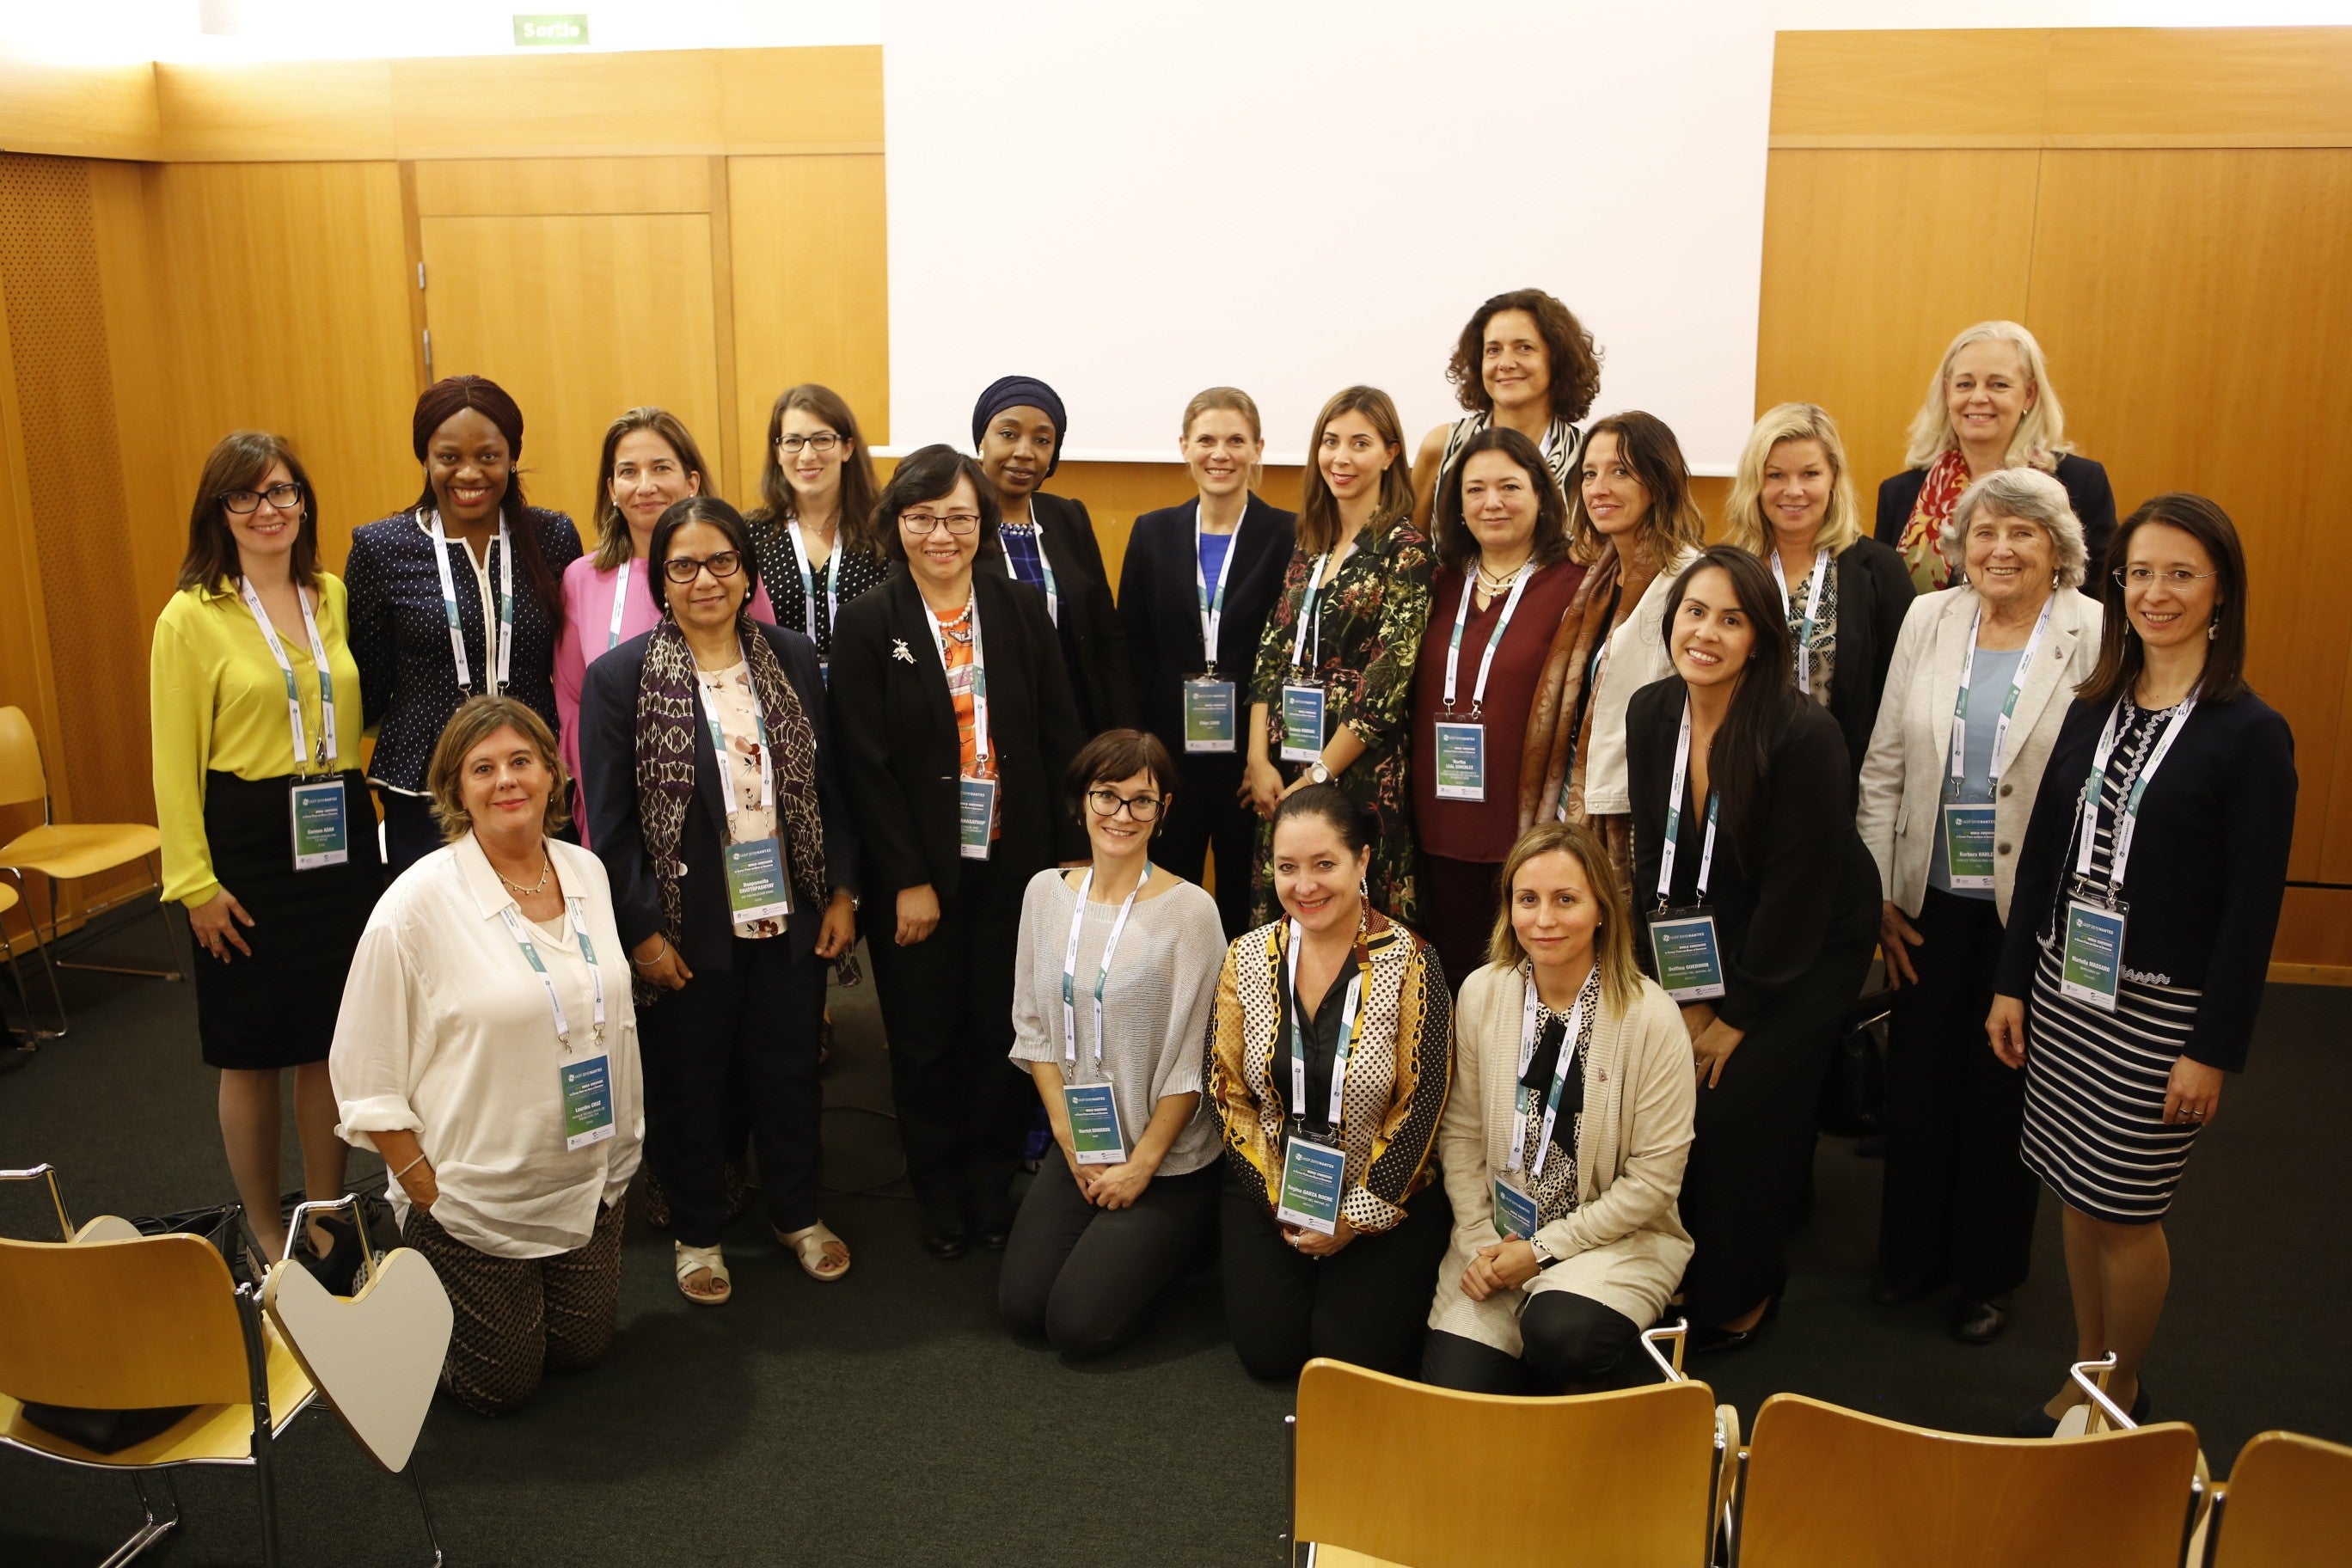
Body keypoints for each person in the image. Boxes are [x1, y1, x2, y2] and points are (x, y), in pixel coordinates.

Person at [1991, 494, 2294, 1435]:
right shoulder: (2097, 704)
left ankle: (2123, 1392)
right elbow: (2043, 851)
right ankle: (2091, 1370)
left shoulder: (2249, 735)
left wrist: (2213, 1051)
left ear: (2221, 592)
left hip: (2162, 1015)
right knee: (2076, 1194)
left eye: (2180, 573)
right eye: (2139, 574)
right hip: (2066, 988)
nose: (2155, 593)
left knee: (2124, 1207)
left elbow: (2252, 911)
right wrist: (2011, 981)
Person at [330, 695, 643, 1417]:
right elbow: (362, 1069)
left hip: (591, 1174)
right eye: (483, 768)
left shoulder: (586, 874)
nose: (507, 781)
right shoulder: (416, 905)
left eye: (521, 762)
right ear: (456, 792)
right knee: (500, 1386)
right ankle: (388, 1293)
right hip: (472, 1194)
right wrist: (427, 1192)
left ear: (551, 776)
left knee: (582, 1351)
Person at [579, 496, 858, 1305]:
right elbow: (612, 824)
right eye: (684, 565)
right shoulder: (619, 677)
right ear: (660, 579)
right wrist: (641, 933)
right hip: (684, 923)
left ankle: (798, 1215)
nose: (705, 580)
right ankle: (698, 1231)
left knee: (788, 1071)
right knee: (689, 1079)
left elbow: (831, 787)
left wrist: (842, 891)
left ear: (748, 573)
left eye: (722, 562)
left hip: (792, 910)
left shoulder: (796, 657)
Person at [1857, 468, 2102, 1345]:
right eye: (1987, 531)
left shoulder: (2091, 632)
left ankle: (1986, 1275)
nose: (2001, 549)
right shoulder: (1932, 617)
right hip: (1927, 891)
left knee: (2004, 1086)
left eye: (2024, 533)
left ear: (2058, 550)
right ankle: (1910, 1256)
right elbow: (1885, 759)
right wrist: (1881, 888)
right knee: (1920, 1080)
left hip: (2028, 903)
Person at [830, 444, 1087, 1259]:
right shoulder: (872, 620)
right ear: (896, 523)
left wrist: (1069, 859)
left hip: (1017, 863)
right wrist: (907, 879)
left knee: (998, 1029)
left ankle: (989, 1181)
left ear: (983, 523)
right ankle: (938, 1192)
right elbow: (862, 765)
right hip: (921, 877)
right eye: (922, 517)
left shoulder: (1017, 609)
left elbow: (1057, 735)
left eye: (959, 517)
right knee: (925, 1035)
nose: (942, 534)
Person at [1626, 546, 1880, 1350]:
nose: (1706, 633)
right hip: (1705, 928)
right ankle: (1673, 1257)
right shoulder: (1652, 711)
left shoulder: (1804, 735)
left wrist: (1735, 1015)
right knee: (1667, 1085)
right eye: (1695, 613)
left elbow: (1799, 896)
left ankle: (1745, 1287)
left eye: (1731, 620)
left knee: (1733, 1100)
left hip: (1809, 942)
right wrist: (1680, 993)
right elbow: (1653, 858)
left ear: (1762, 637)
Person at [150, 432, 380, 1265]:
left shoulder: (330, 594)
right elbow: (172, 765)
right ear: (220, 511)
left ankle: (322, 1205)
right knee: (250, 1050)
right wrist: (194, 885)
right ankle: (257, 1218)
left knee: (329, 1038)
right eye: (246, 496)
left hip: (336, 829)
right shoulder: (191, 615)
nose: (268, 509)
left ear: (303, 502)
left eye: (282, 491)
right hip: (243, 841)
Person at [1420, 821, 1695, 1393]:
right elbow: (1462, 1135)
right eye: (1528, 900)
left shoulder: (1651, 1017)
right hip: (1499, 1240)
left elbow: (1653, 1184)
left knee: (1560, 1335)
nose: (1543, 920)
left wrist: (1543, 1253)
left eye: (1565, 900)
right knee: (1456, 1392)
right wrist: (1479, 1241)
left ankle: (1642, 1385)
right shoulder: (1481, 993)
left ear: (1601, 909)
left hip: (1614, 1241)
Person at [1207, 785, 1454, 1381]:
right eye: (1288, 867)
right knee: (1269, 1354)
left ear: (1362, 861)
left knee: (1346, 1366)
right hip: (1273, 1186)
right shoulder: (1245, 955)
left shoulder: (1414, 960)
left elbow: (1422, 1104)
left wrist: (1355, 1217)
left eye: (1325, 864)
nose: (1305, 886)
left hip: (1385, 1195)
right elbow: (1224, 1090)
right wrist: (1276, 1197)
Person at [1000, 730, 1228, 1359]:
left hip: (1168, 1160)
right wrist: (1067, 1137)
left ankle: (1187, 1240)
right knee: (1022, 1309)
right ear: (1082, 801)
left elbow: (1192, 1062)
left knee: (1077, 1326)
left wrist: (1142, 1165)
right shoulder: (1044, 894)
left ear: (1164, 812)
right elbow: (1034, 1029)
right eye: (1107, 796)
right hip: (1085, 1141)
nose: (1122, 816)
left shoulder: (1192, 913)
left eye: (1142, 801)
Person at [347, 377, 581, 877]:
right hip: (425, 787)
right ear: (426, 459)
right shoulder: (379, 548)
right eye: (449, 457)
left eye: (488, 456)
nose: (468, 472)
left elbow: (568, 660)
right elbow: (368, 682)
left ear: (512, 457)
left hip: (532, 780)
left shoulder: (552, 536)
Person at [1244, 386, 1433, 927]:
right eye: (1330, 442)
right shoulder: (1311, 541)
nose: (1341, 458)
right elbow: (1272, 650)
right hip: (1284, 771)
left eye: (1360, 443)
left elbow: (1387, 681)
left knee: (1356, 929)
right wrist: (1258, 759)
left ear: (1390, 454)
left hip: (1357, 776)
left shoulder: (1407, 549)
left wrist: (1320, 774)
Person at [1118, 388, 1298, 938]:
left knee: (1250, 905)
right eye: (1207, 440)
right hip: (1169, 756)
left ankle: (1241, 1010)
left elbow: (1289, 652)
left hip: (1254, 760)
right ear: (1184, 447)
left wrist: (1266, 753)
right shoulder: (1152, 531)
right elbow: (1131, 647)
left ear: (1258, 448)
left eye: (1235, 441)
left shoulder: (1289, 533)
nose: (1220, 453)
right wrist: (1140, 754)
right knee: (1168, 900)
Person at [1409, 426, 1585, 987]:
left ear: (1541, 495)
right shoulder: (1434, 584)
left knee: (1527, 983)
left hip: (1528, 832)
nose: (1492, 503)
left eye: (1509, 487)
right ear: (1455, 505)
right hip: (1437, 825)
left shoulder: (1576, 588)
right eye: (1474, 489)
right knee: (1453, 981)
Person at [554, 407, 776, 838]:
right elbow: (573, 703)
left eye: (660, 468)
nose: (645, 486)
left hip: (731, 804)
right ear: (611, 489)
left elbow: (767, 679)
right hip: (623, 812)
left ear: (691, 481)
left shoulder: (728, 575)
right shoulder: (581, 579)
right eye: (628, 472)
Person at [1525, 413, 1707, 894]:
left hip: (1647, 816)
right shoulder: (1598, 580)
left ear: (1659, 480)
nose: (1599, 487)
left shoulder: (1692, 580)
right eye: (1589, 472)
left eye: (1621, 471)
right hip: (1578, 802)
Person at [1723, 402, 1914, 781]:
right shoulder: (1726, 570)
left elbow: (1903, 694)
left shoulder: (1879, 570)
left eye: (1810, 473)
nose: (1794, 491)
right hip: (1744, 775)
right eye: (1775, 475)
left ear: (1833, 478)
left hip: (1844, 780)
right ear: (1755, 482)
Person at [1877, 321, 2118, 595]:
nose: (1979, 397)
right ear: (1947, 393)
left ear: (2029, 395)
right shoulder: (1899, 494)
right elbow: (1884, 607)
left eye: (1998, 384)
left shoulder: (2081, 483)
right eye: (1965, 384)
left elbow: (2100, 597)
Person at [971, 375, 1134, 732]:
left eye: (1042, 440)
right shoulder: (955, 523)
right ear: (982, 439)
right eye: (1009, 434)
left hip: (1077, 716)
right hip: (993, 722)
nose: (1025, 452)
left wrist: (1125, 733)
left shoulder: (1068, 517)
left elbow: (1107, 638)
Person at [1411, 288, 1602, 524]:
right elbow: (1411, 551)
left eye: (1524, 348)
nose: (1506, 363)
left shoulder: (1587, 458)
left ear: (1557, 358)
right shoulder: (1441, 447)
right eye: (1493, 350)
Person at [741, 383, 890, 666]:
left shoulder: (884, 529)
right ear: (778, 452)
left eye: (822, 440)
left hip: (867, 693)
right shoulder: (750, 535)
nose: (807, 455)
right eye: (793, 441)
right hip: (780, 696)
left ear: (847, 448)